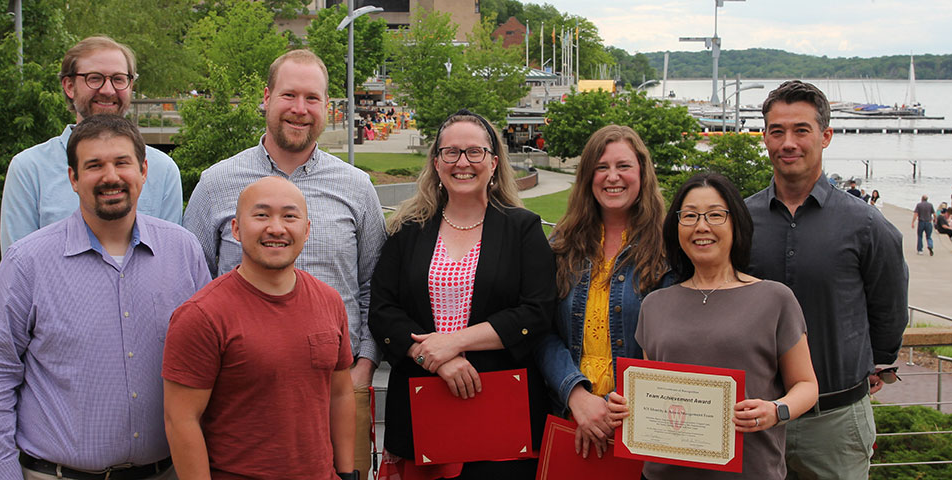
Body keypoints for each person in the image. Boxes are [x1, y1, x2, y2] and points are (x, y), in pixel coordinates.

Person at [0, 115, 210, 480]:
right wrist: (1, 469)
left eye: (122, 162)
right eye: (94, 165)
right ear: (73, 179)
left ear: (143, 171)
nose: (111, 176)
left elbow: (209, 360)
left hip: (167, 472)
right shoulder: (27, 262)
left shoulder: (183, 251)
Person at [183, 49, 386, 476]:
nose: (300, 109)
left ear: (327, 106)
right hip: (241, 394)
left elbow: (374, 285)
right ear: (266, 98)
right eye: (288, 95)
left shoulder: (357, 187)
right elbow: (193, 284)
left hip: (340, 389)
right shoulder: (217, 184)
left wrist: (362, 365)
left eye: (312, 98)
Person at [368, 109, 555, 479]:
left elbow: (537, 311)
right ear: (436, 163)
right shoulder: (408, 230)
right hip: (423, 403)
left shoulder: (523, 229)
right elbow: (383, 310)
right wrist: (433, 357)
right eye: (451, 152)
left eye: (475, 152)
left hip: (500, 411)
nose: (462, 163)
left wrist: (452, 343)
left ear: (494, 162)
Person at [745, 80, 908, 480]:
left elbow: (889, 308)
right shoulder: (742, 221)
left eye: (801, 130)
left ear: (826, 136)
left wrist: (876, 363)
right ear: (764, 137)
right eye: (777, 131)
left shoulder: (866, 224)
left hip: (835, 422)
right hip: (757, 421)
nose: (788, 143)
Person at [608, 172, 818, 479]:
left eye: (715, 215)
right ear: (677, 227)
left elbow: (807, 385)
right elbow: (651, 389)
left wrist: (776, 411)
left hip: (751, 471)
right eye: (690, 216)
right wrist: (625, 407)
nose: (701, 226)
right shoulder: (654, 305)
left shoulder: (774, 299)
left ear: (736, 224)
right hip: (666, 473)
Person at [163, 177, 356, 479]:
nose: (276, 228)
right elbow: (181, 419)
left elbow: (340, 394)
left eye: (290, 216)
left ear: (307, 230)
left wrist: (347, 473)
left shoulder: (329, 301)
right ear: (236, 230)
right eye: (261, 215)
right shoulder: (201, 315)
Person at [533, 125, 672, 458]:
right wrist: (576, 396)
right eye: (601, 167)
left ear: (642, 172)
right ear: (587, 176)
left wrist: (609, 409)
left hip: (642, 423)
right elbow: (541, 331)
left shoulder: (668, 252)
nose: (613, 177)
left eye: (623, 166)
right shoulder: (561, 247)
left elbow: (674, 344)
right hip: (568, 416)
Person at [0, 35, 182, 255]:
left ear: (130, 85)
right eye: (94, 78)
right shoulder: (29, 169)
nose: (107, 90)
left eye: (118, 79)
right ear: (69, 86)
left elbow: (169, 260)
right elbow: (18, 268)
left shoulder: (163, 169)